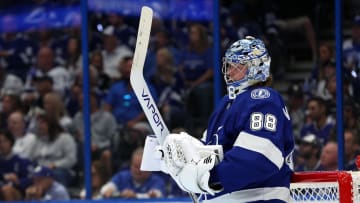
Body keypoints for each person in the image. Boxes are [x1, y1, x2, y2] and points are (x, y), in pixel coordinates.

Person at [157, 36, 295, 202]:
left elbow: (259, 157)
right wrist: (182, 155)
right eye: (229, 65)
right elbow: (209, 147)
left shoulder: (263, 99)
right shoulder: (227, 103)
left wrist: (208, 177)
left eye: (237, 66)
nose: (229, 72)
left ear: (256, 68)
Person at [100, 147, 166, 199]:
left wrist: (135, 196)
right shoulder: (122, 176)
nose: (138, 170)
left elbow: (157, 195)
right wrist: (109, 191)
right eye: (135, 166)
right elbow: (104, 190)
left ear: (149, 167)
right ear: (130, 165)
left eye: (141, 167)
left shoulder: (157, 181)